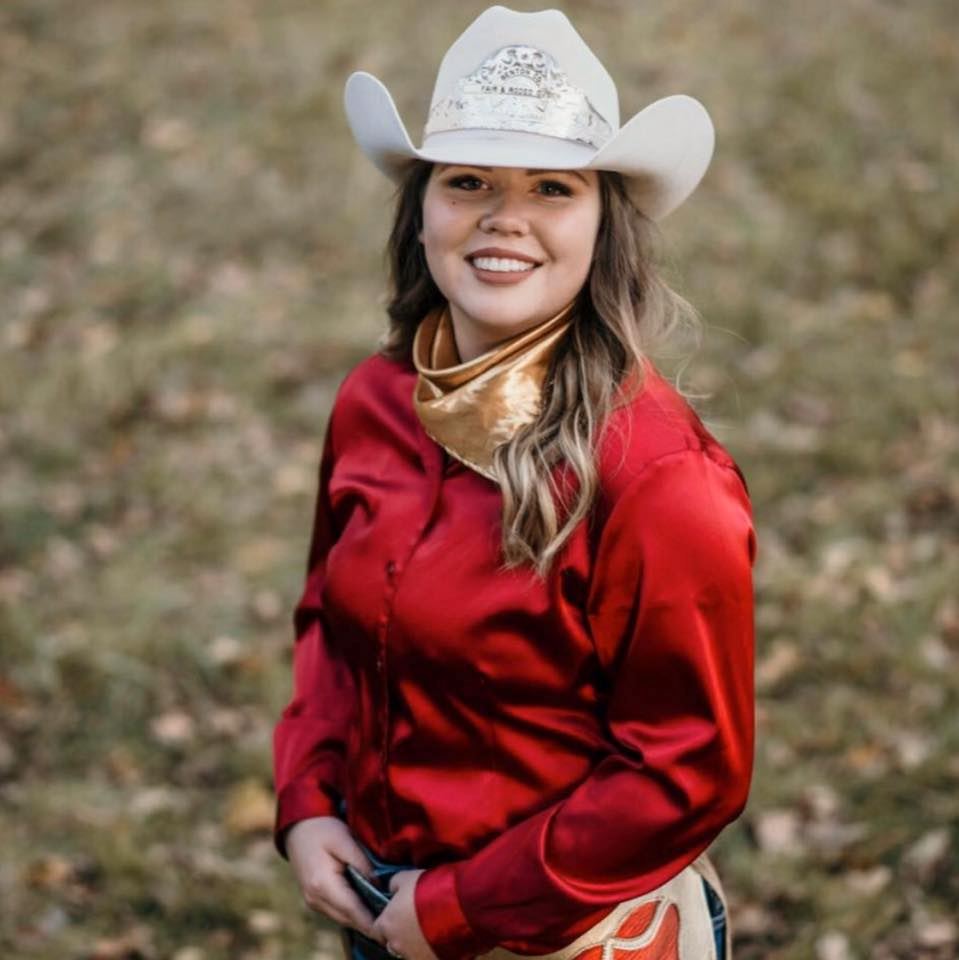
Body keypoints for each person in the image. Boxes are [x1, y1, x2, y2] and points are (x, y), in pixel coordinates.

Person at [271, 7, 756, 960]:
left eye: (550, 187)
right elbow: (328, 623)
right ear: (421, 209)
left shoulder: (659, 481)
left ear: (601, 222)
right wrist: (306, 801)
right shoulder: (376, 401)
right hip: (381, 901)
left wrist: (461, 909)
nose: (505, 218)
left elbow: (684, 772)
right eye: (468, 181)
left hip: (567, 935)